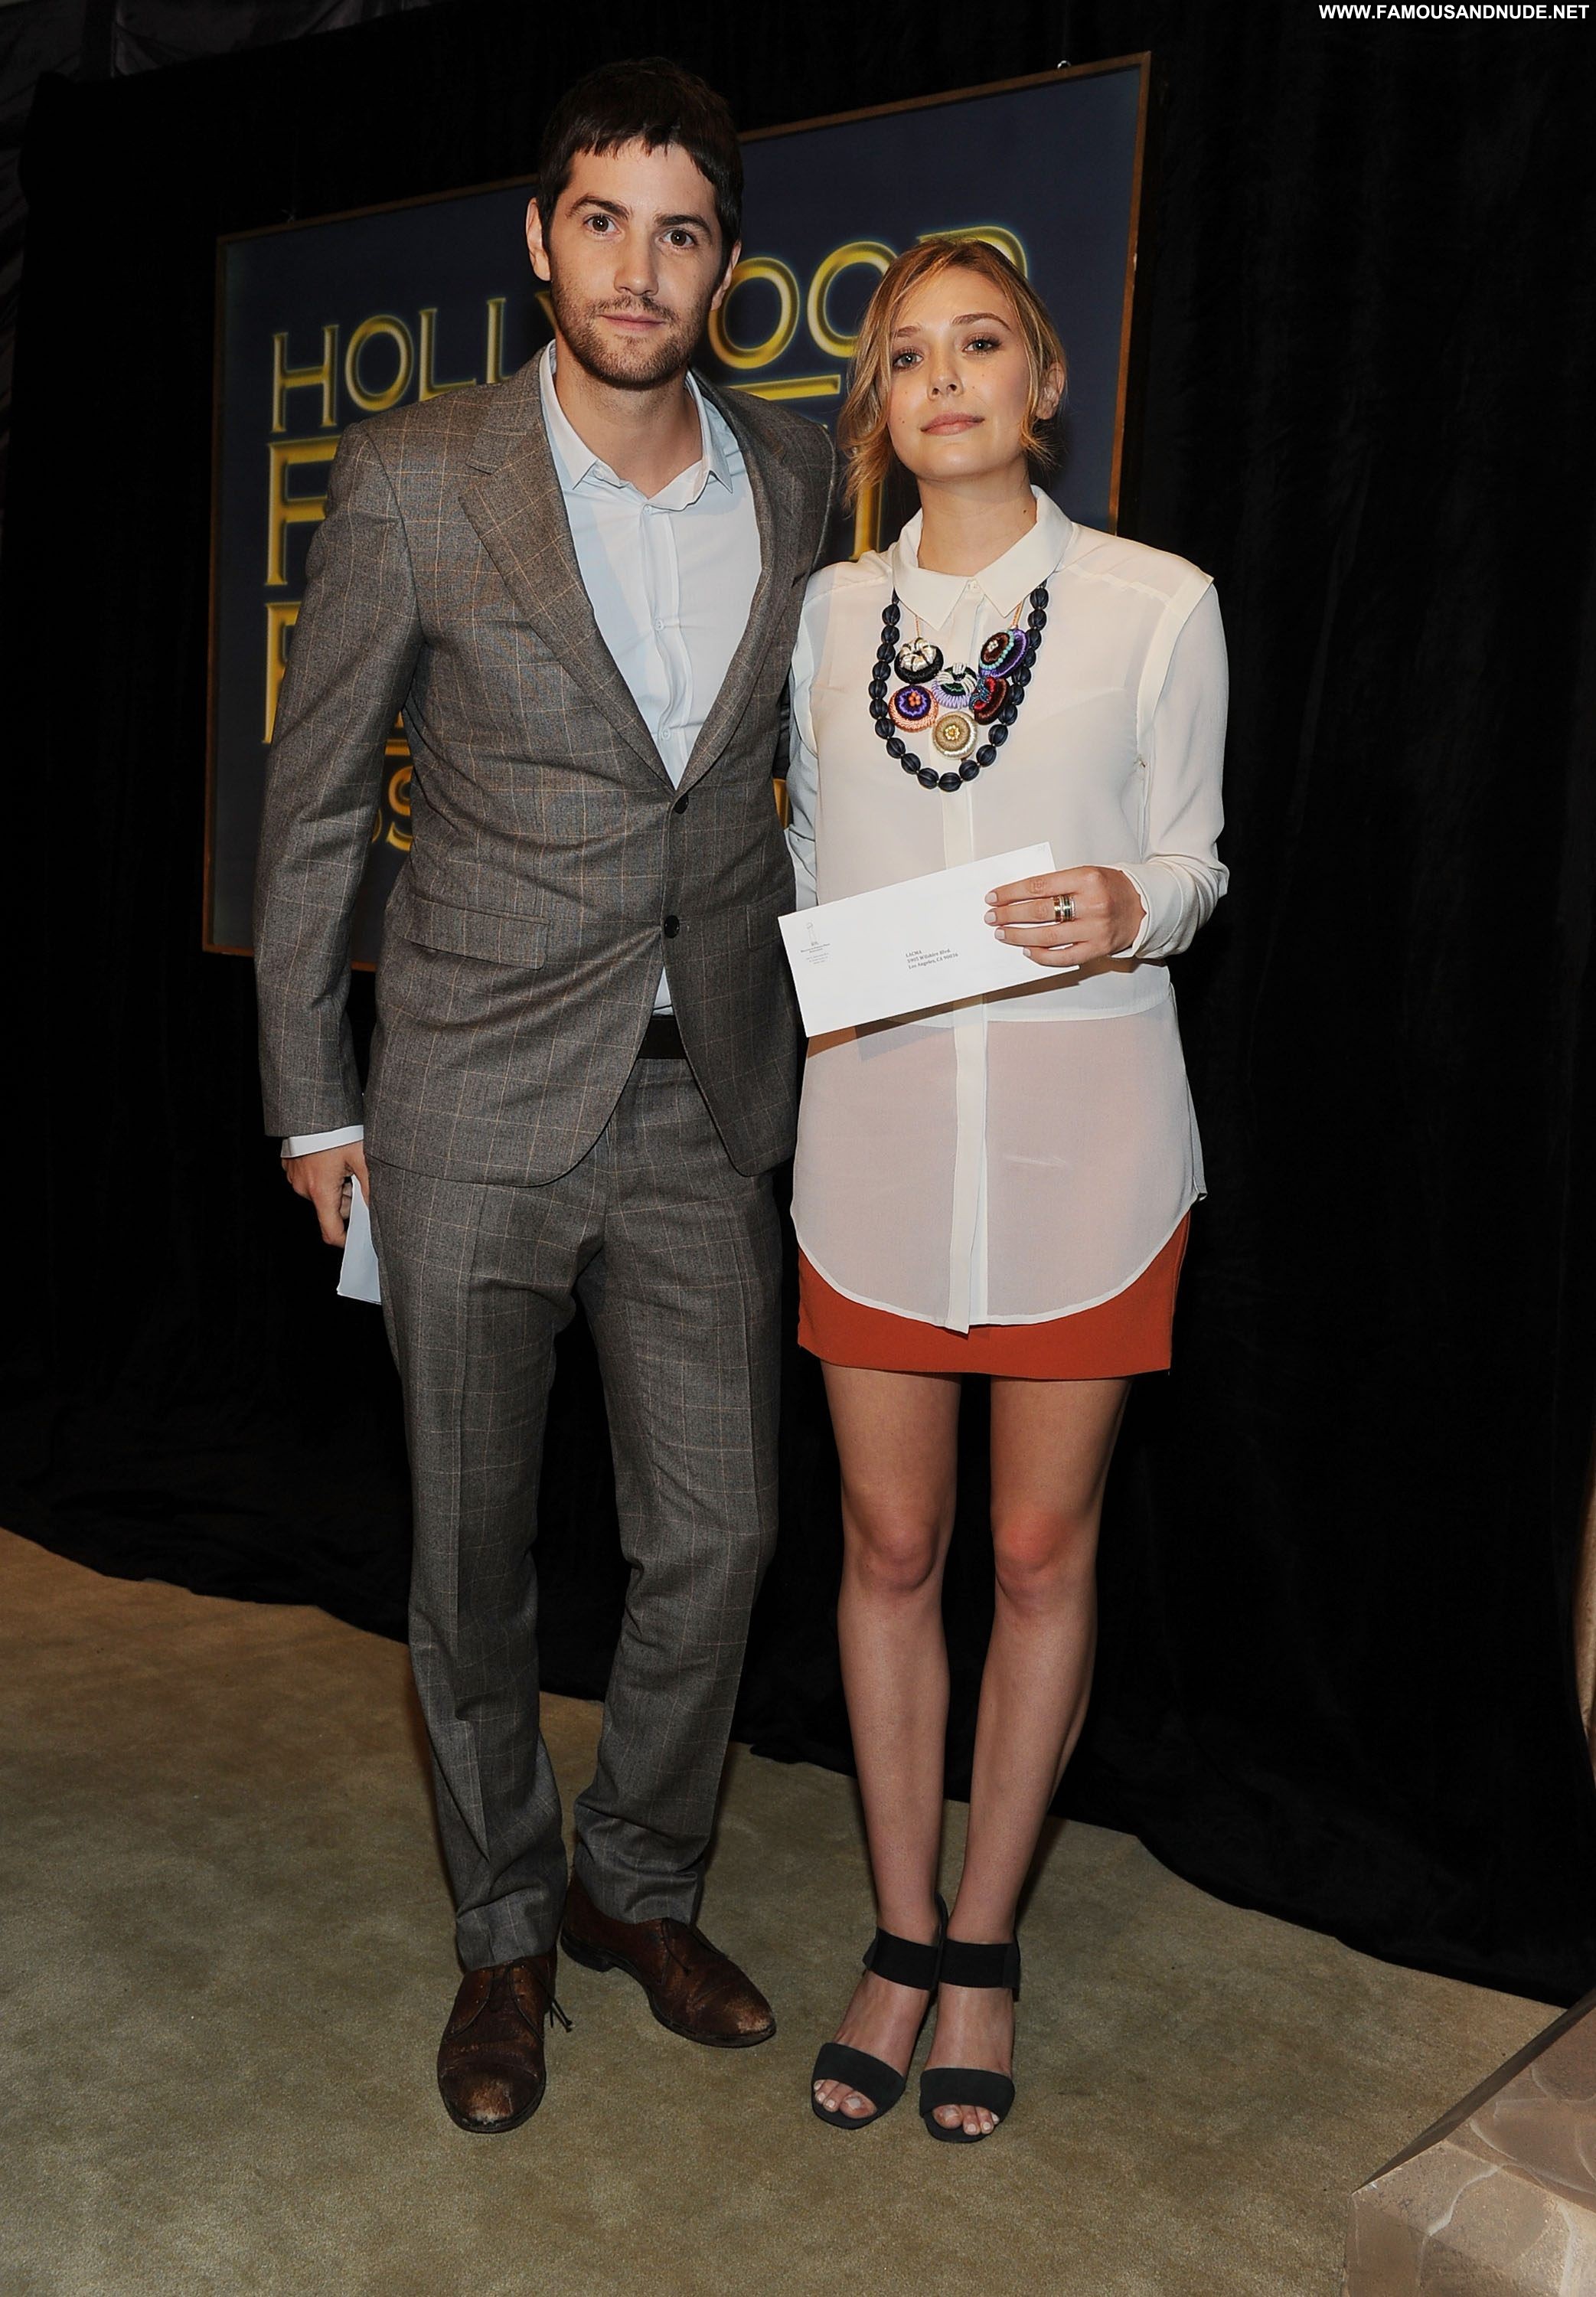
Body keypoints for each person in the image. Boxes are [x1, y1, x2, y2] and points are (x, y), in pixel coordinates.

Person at [253, 58, 836, 2135]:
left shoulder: (793, 474)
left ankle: (631, 1883)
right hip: (469, 1106)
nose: (636, 268)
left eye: (679, 232)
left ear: (724, 266)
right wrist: (314, 1105)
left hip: (703, 1105)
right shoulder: (418, 475)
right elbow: (317, 806)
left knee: (721, 1539)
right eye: (601, 221)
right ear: (537, 240)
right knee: (471, 1556)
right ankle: (502, 1928)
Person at [785, 238, 1228, 2143]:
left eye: (979, 345)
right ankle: (897, 1936)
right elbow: (807, 855)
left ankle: (982, 1944)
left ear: (1043, 383)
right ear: (877, 407)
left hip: (1083, 1144)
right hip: (874, 1140)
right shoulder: (828, 616)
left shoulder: (1154, 602)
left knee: (1039, 1554)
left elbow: (1198, 855)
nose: (943, 378)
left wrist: (1140, 898)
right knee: (889, 1550)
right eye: (905, 355)